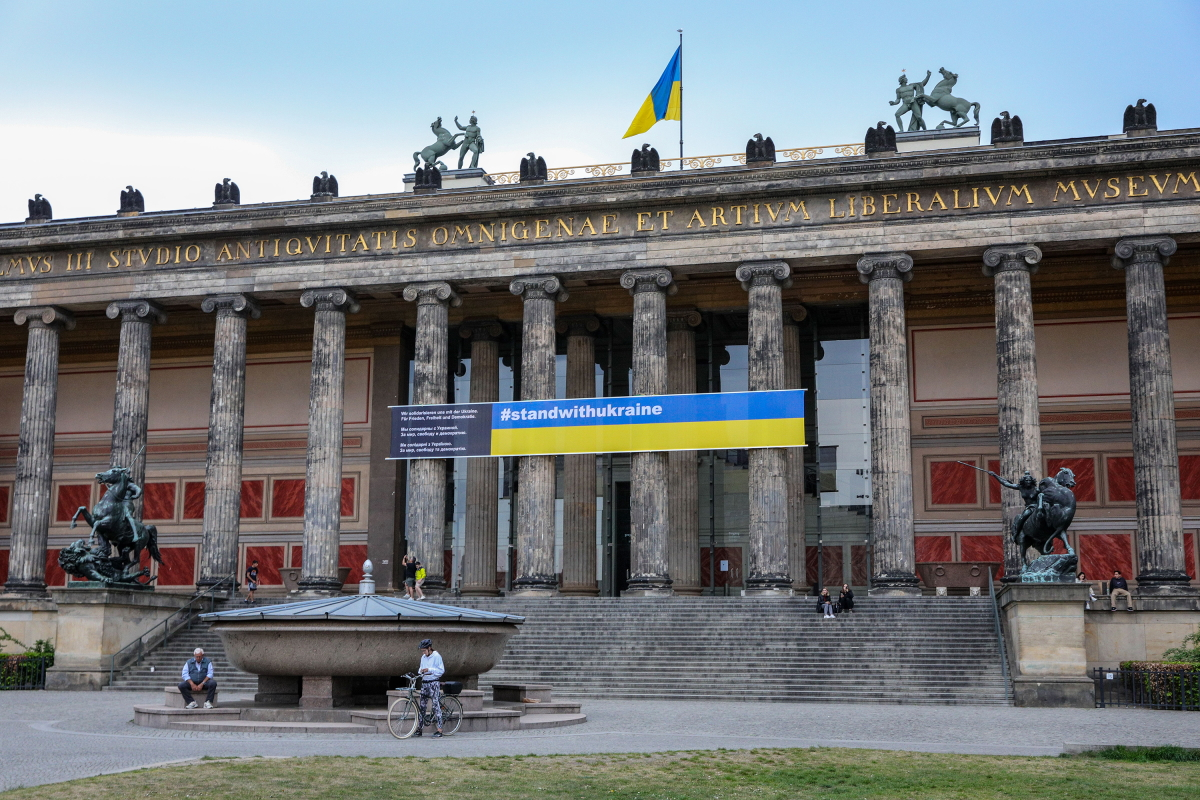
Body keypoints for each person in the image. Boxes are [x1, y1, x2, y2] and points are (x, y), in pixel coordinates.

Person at [416, 638, 444, 738]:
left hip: (433, 682)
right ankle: (419, 729)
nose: (423, 652)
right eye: (422, 651)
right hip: (425, 682)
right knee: (422, 706)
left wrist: (429, 669)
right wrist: (421, 671)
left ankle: (439, 730)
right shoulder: (423, 657)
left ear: (429, 648)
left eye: (424, 650)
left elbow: (441, 670)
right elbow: (420, 669)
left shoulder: (436, 656)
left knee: (435, 705)